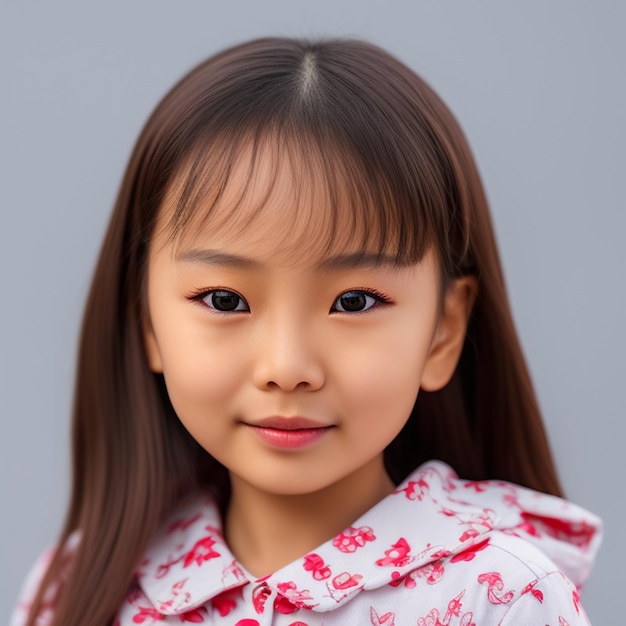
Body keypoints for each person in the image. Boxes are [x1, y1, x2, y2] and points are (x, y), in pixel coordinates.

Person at [12, 37, 601, 626]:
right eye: (224, 299)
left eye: (354, 301)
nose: (286, 365)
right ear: (147, 320)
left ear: (443, 331)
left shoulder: (500, 597)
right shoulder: (77, 590)